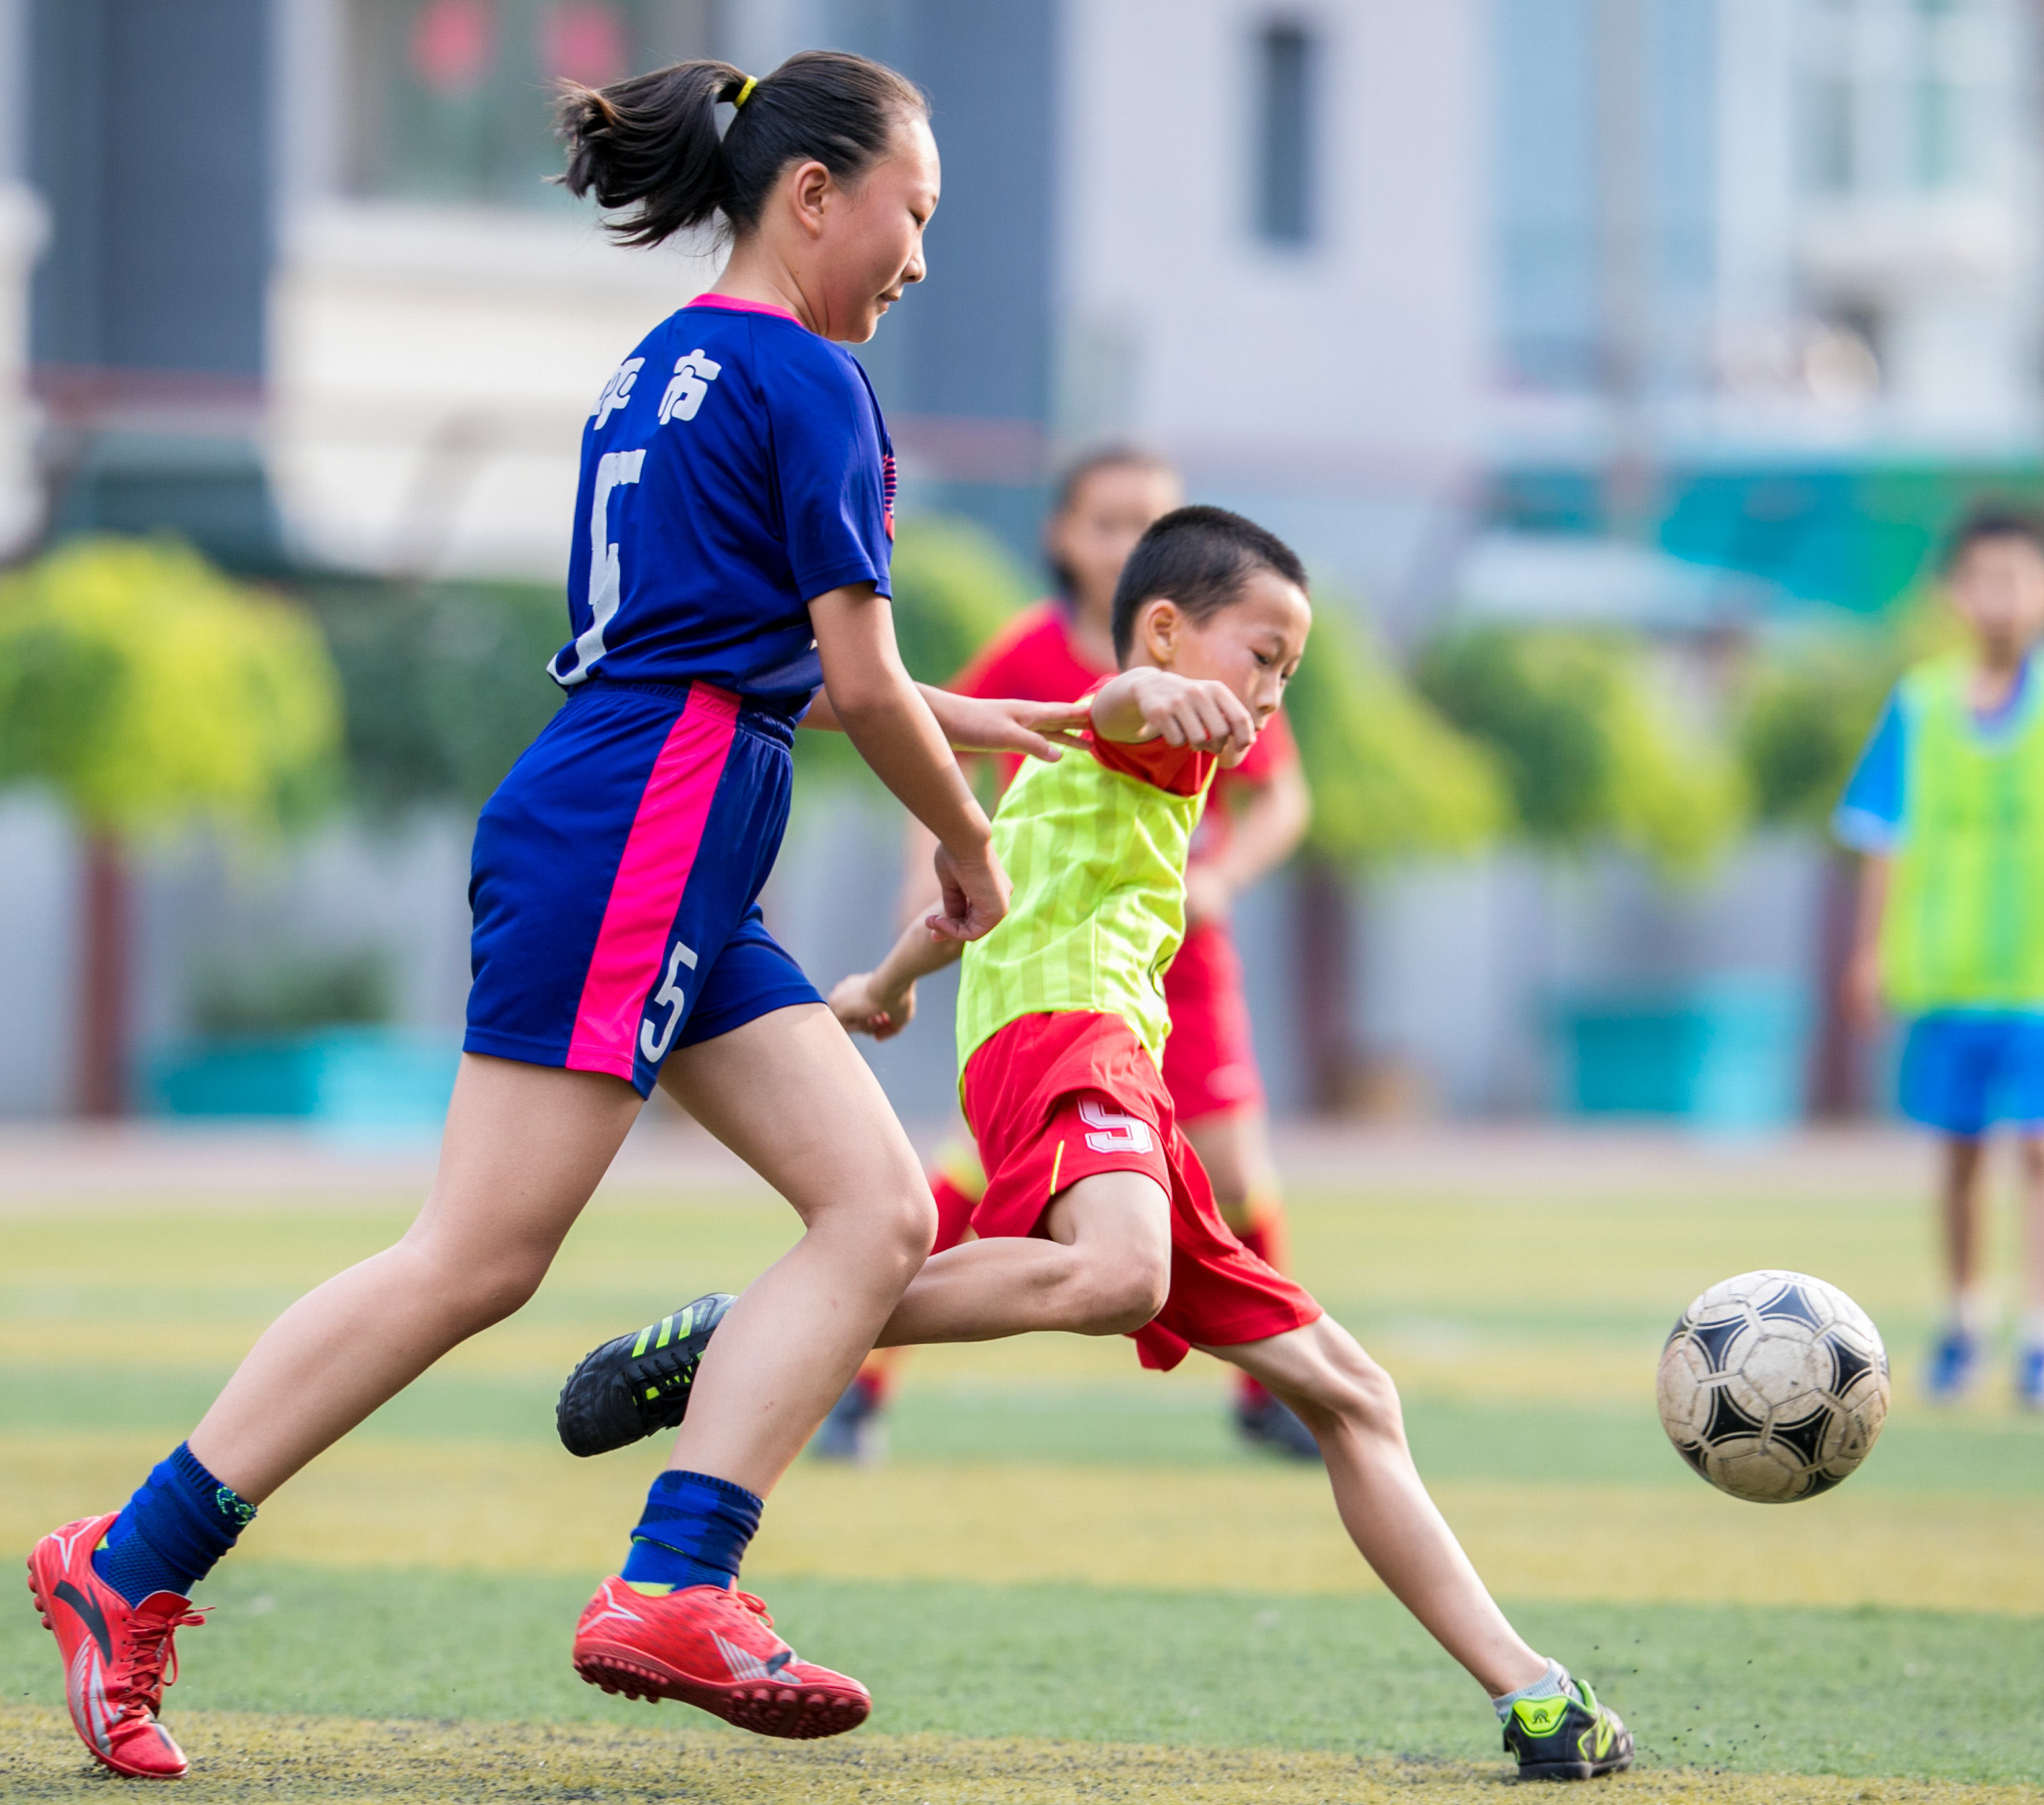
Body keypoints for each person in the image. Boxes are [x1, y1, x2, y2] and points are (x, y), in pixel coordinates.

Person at [24, 50, 1090, 1778]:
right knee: (478, 1257)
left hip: (645, 811)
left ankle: (678, 1580)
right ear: (813, 195)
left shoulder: (662, 363)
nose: (918, 254)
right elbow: (850, 677)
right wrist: (968, 841)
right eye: (915, 211)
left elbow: (754, 663)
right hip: (644, 827)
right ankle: (125, 1563)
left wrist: (967, 723)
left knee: (875, 1208)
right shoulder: (811, 379)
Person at [558, 507, 1635, 1781]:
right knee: (1121, 1275)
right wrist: (1146, 695)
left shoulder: (1053, 769)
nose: (1270, 691)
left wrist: (885, 984)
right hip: (1070, 1048)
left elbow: (974, 896)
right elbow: (1129, 703)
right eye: (1263, 653)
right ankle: (756, 1332)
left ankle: (1533, 1694)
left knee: (1352, 1397)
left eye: (1290, 671)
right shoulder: (1147, 725)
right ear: (1170, 631)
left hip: (1112, 1077)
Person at [813, 448, 1320, 1463]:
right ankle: (843, 1367)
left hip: (1162, 955)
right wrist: (934, 858)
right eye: (1107, 520)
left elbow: (1283, 798)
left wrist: (1221, 879)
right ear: (1062, 537)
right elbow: (948, 730)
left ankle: (1276, 1392)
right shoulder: (1091, 668)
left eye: (1150, 519)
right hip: (1059, 978)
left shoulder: (1236, 662)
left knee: (1224, 1169)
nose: (1127, 540)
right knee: (1041, 1193)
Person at [1837, 504, 2044, 1414]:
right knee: (1962, 1157)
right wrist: (1867, 952)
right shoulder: (1919, 702)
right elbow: (1881, 838)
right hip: (1949, 976)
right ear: (1955, 593)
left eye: (2020, 577)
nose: (2001, 597)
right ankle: (1966, 1322)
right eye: (1984, 578)